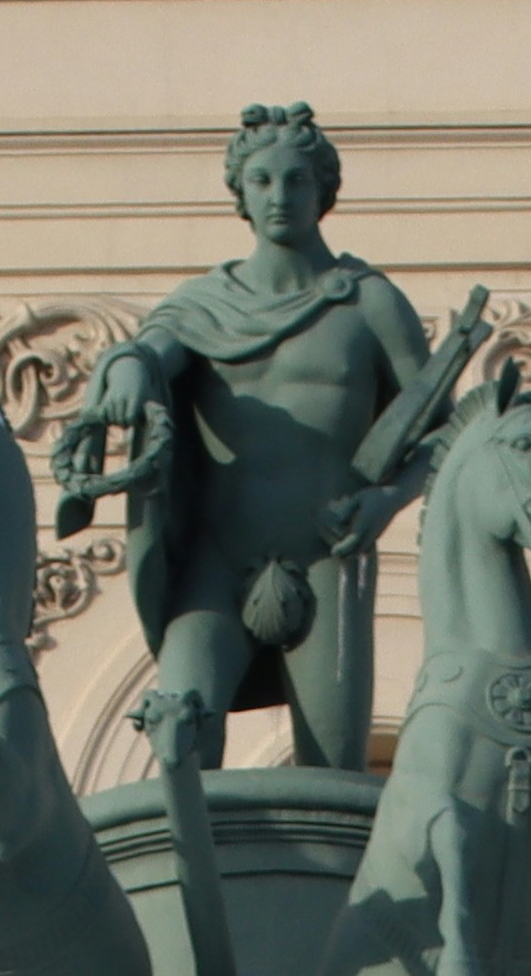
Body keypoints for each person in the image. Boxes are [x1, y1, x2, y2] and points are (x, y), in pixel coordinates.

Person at [51, 101, 454, 780]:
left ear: (323, 190)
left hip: (329, 558)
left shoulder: (368, 303)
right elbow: (147, 354)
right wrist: (124, 369)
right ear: (239, 192)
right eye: (262, 181)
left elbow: (445, 428)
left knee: (332, 772)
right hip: (217, 562)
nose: (279, 197)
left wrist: (388, 500)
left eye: (297, 180)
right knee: (178, 729)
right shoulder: (202, 306)